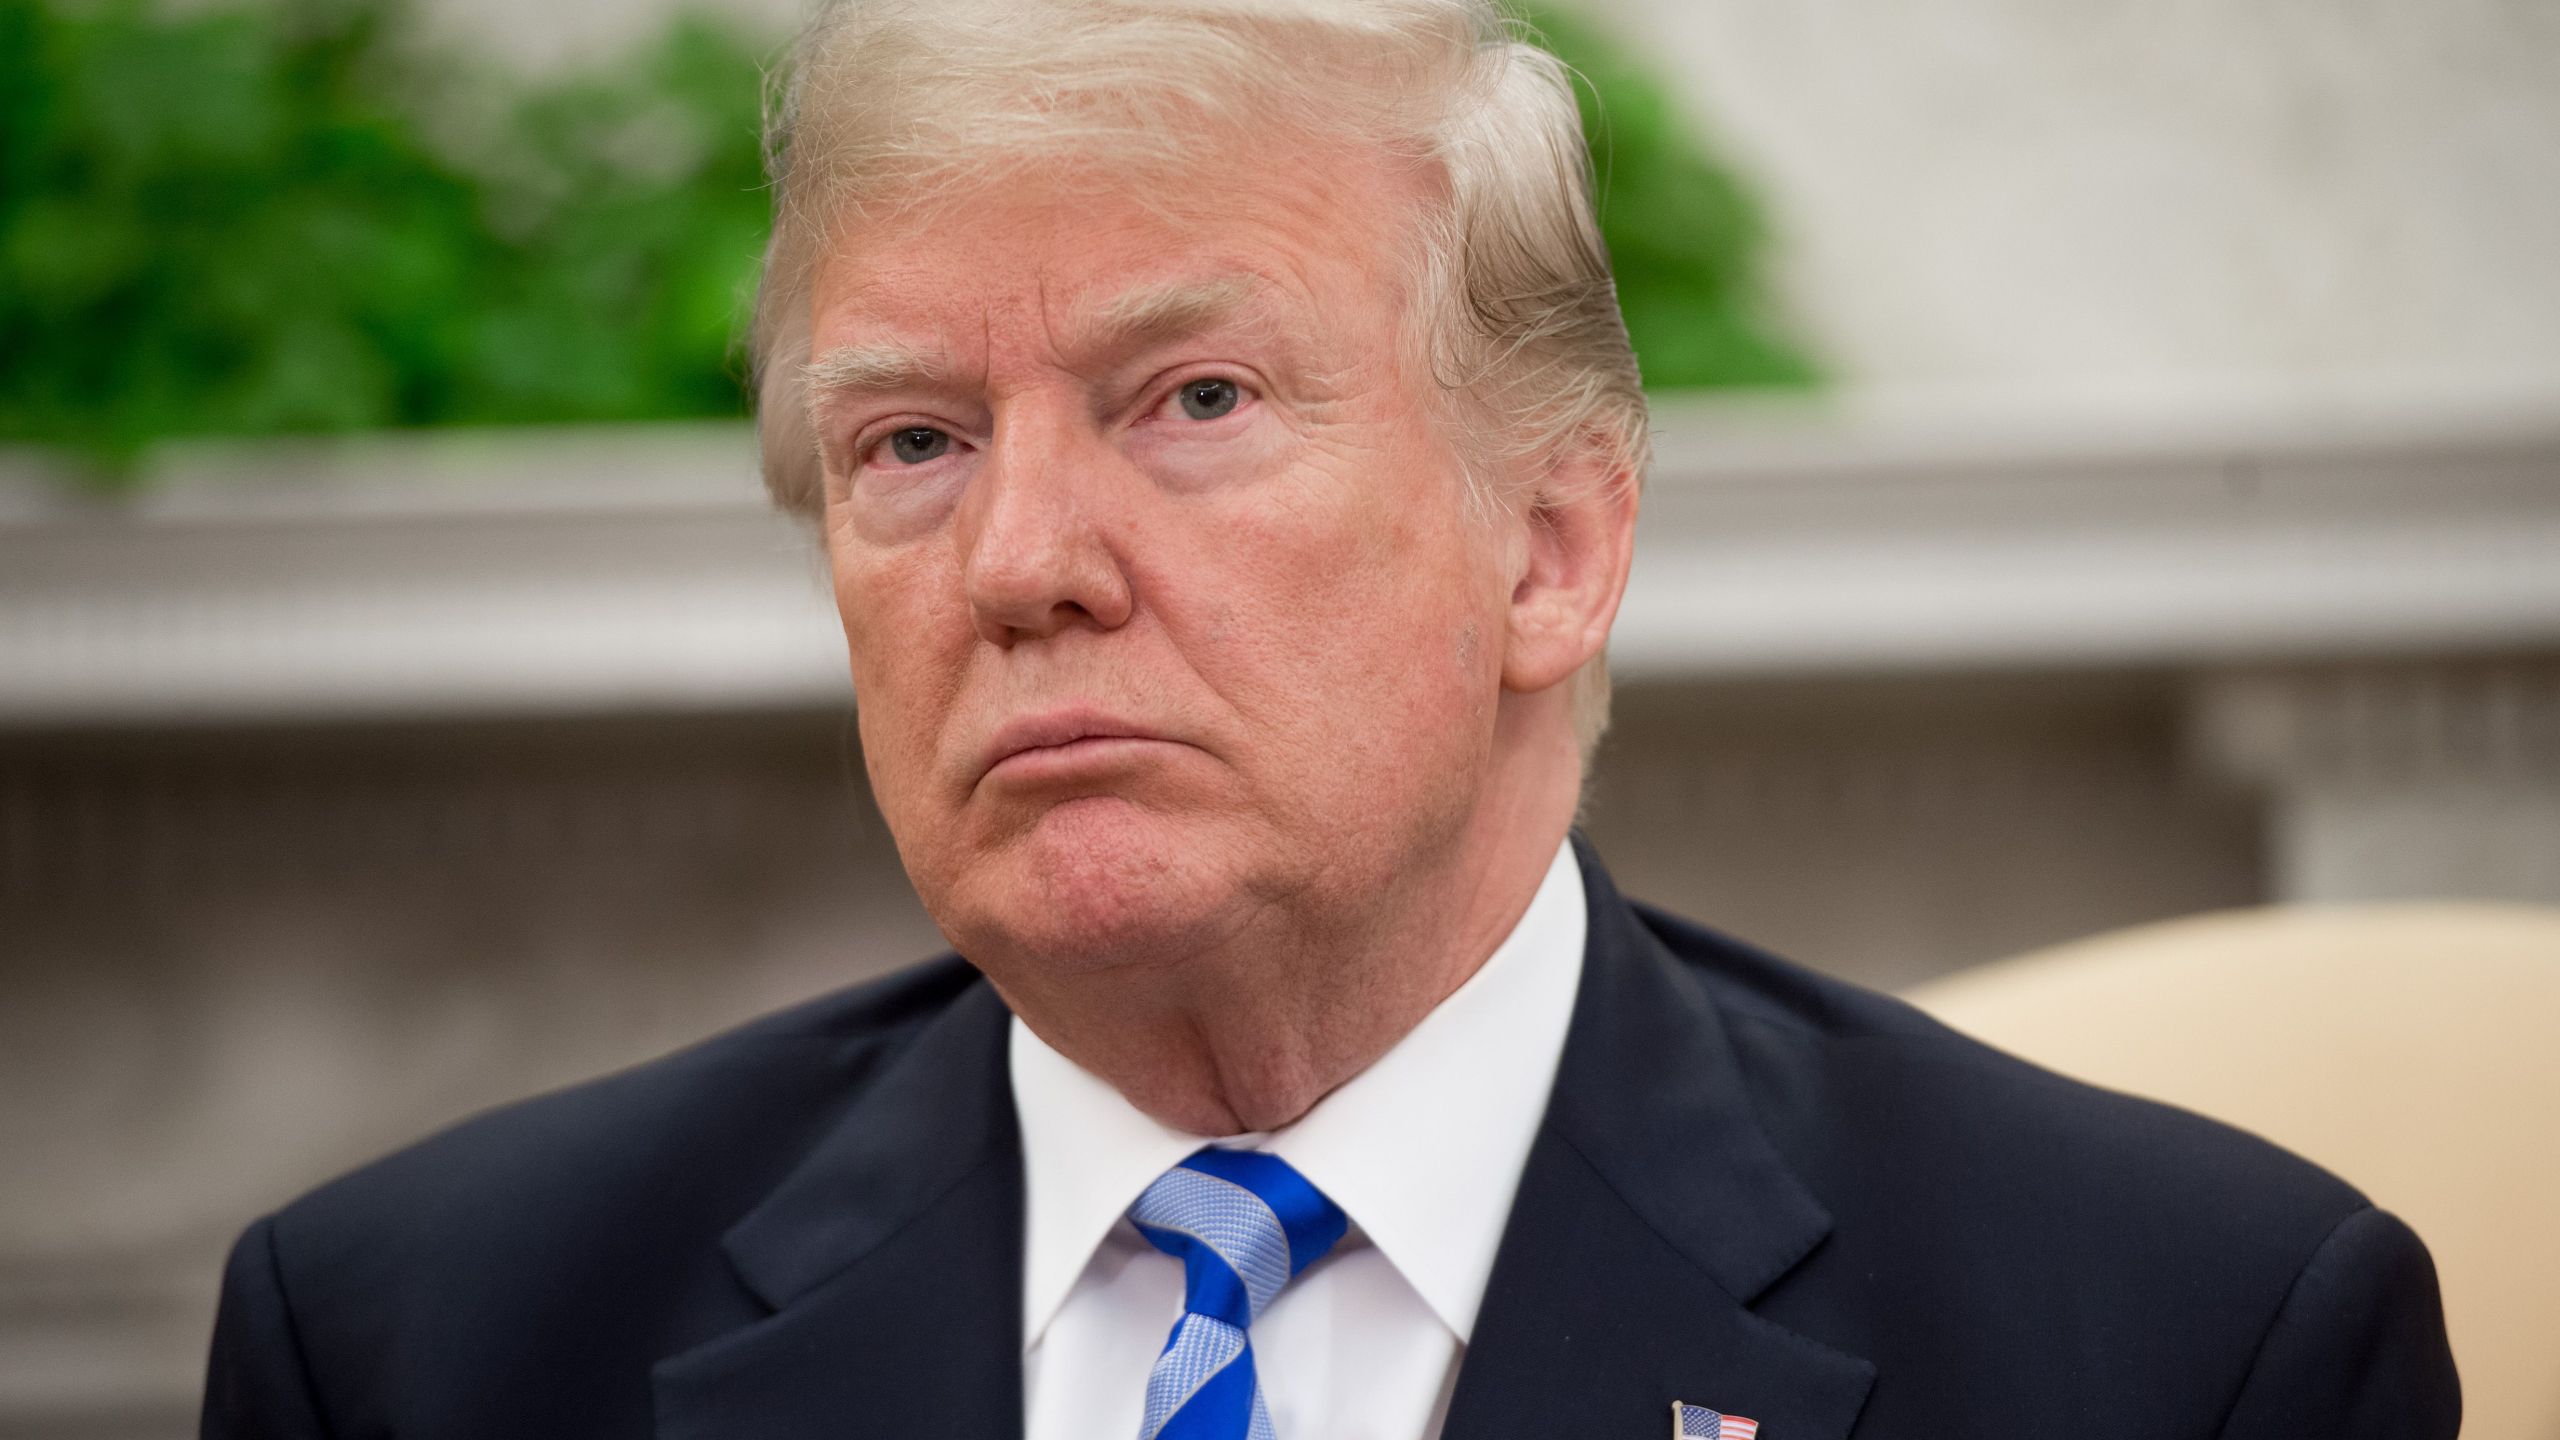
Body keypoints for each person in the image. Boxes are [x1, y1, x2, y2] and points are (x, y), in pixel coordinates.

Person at [201, 1, 2460, 1436]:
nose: (1018, 562)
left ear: (1551, 548)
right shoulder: (428, 1346)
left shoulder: (2180, 1346)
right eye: (910, 443)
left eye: (1189, 398)